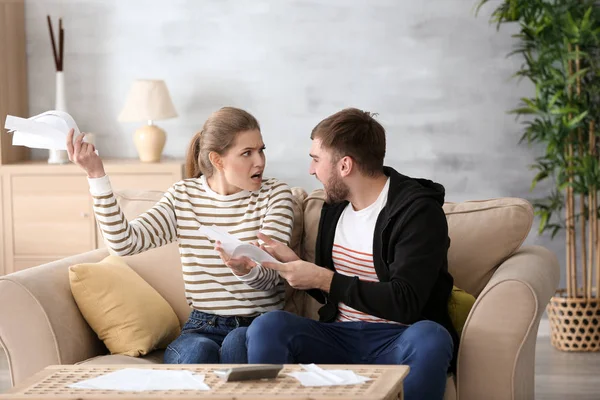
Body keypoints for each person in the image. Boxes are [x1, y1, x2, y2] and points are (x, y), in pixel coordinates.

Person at [244, 108, 458, 400]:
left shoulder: (418, 212)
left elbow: (406, 301)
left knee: (432, 338)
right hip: (339, 337)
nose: (311, 170)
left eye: (316, 160)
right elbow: (331, 289)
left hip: (397, 339)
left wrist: (324, 279)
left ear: (345, 165)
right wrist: (299, 268)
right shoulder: (335, 206)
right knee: (269, 326)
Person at [66, 107, 295, 364]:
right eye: (247, 153)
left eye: (261, 150)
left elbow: (272, 277)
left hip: (260, 324)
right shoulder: (183, 196)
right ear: (218, 161)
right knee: (198, 352)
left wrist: (245, 271)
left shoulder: (275, 195)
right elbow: (123, 243)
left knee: (237, 342)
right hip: (202, 325)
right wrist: (96, 175)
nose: (260, 161)